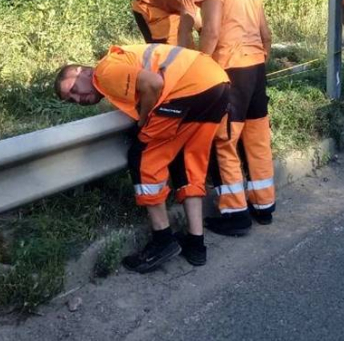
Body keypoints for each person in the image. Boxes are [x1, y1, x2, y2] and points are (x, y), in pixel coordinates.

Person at [56, 43, 229, 272]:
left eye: (74, 90)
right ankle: (196, 245)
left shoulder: (104, 71)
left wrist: (144, 120)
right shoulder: (119, 63)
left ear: (84, 72)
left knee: (142, 158)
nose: (78, 99)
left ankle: (163, 240)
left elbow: (153, 83)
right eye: (71, 100)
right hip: (215, 82)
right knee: (187, 160)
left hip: (187, 88)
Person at [188, 0, 275, 236]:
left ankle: (235, 213)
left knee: (225, 140)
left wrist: (202, 68)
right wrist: (259, 63)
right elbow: (266, 35)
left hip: (231, 69)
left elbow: (210, 31)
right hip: (256, 68)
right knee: (257, 137)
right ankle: (264, 206)